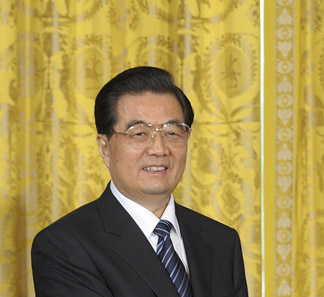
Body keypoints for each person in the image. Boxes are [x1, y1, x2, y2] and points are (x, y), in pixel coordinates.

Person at [31, 66, 248, 297]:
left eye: (172, 132)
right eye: (139, 133)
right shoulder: (64, 246)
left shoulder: (222, 242)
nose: (159, 149)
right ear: (105, 148)